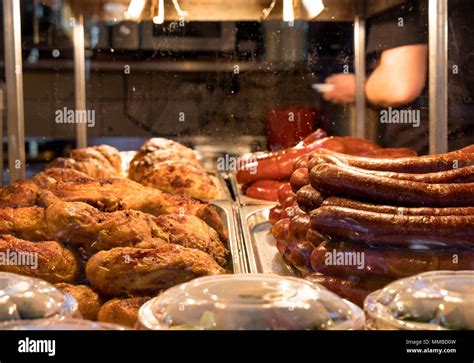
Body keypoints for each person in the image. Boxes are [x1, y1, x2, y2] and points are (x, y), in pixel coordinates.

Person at [321, 0, 473, 154]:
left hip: (433, 154)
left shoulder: (392, 4)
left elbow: (398, 87)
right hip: (461, 149)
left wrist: (356, 88)